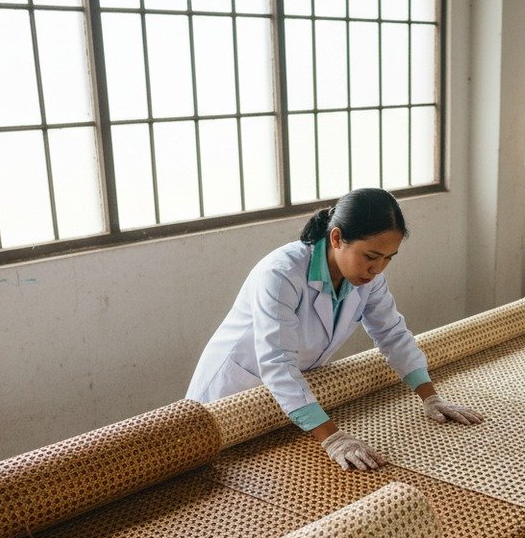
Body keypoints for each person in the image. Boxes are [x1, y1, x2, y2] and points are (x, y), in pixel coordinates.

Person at [186, 187, 483, 470]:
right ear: (337, 238)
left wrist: (430, 396)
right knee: (208, 467)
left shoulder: (370, 279)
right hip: (233, 389)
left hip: (286, 396)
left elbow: (391, 333)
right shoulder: (281, 274)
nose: (378, 269)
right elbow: (277, 363)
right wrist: (334, 438)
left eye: (388, 259)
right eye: (370, 256)